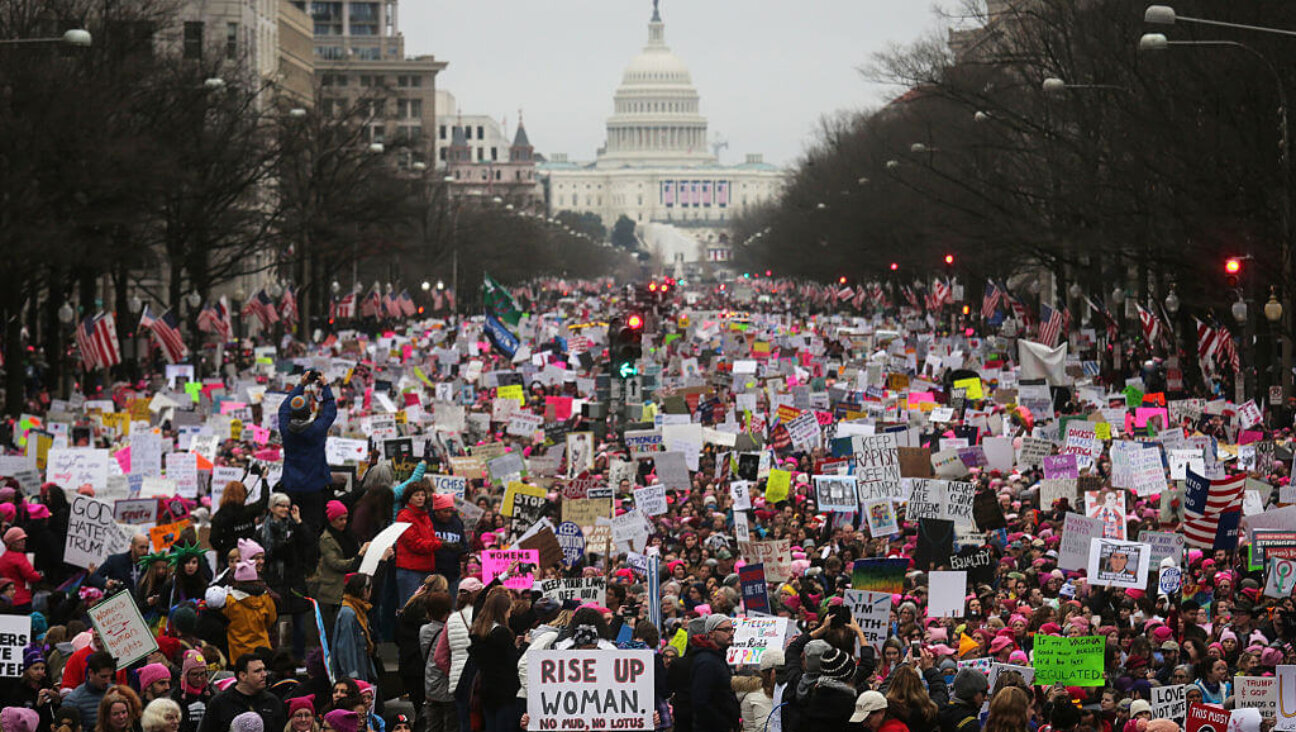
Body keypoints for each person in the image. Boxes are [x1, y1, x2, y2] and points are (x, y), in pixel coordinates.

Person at [279, 370, 338, 533]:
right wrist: (326, 387)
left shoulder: (286, 430)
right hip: (315, 489)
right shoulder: (317, 430)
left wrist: (301, 385)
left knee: (292, 529)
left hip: (292, 487)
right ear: (308, 413)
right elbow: (330, 412)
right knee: (314, 529)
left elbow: (283, 409)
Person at [259, 492, 315, 661]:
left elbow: (309, 541)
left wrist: (298, 521)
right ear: (271, 508)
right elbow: (262, 554)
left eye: (287, 506)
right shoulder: (262, 530)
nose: (284, 509)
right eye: (280, 505)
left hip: (293, 580)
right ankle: (272, 657)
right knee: (272, 622)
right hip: (273, 580)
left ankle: (299, 657)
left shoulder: (294, 527)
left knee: (299, 621)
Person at [467, 587, 520, 732]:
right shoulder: (502, 634)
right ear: (503, 611)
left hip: (487, 691)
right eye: (509, 610)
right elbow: (512, 662)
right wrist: (523, 646)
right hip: (504, 693)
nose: (510, 615)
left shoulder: (479, 632)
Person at [313, 501, 368, 635]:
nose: (343, 522)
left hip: (349, 587)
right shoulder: (326, 539)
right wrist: (358, 558)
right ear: (331, 520)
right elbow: (335, 563)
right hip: (333, 591)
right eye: (340, 519)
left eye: (345, 518)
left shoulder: (349, 535)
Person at [197, 654, 286, 732]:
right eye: (258, 671)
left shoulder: (272, 702)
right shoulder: (220, 703)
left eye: (264, 669)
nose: (264, 674)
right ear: (243, 676)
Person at [214, 561, 277, 664]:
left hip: (238, 652)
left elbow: (222, 622)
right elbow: (271, 620)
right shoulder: (266, 598)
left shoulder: (230, 601)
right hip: (262, 650)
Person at [394, 481, 443, 607]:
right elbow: (415, 544)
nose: (421, 497)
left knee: (424, 608)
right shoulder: (404, 516)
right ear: (409, 498)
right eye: (417, 495)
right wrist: (438, 544)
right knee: (409, 607)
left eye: (422, 494)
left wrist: (436, 542)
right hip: (410, 570)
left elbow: (430, 537)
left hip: (425, 568)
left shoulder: (424, 515)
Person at [690, 614, 740, 732]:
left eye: (732, 629)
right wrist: (724, 723)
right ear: (711, 633)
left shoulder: (717, 658)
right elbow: (701, 702)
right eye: (726, 630)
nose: (731, 633)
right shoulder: (707, 661)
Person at [419, 591, 455, 732]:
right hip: (447, 686)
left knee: (433, 726)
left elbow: (425, 655)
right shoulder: (449, 632)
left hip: (430, 685)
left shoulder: (423, 630)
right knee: (452, 726)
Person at [332, 573, 378, 683]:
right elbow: (346, 648)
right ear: (364, 591)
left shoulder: (359, 609)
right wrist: (352, 676)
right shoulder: (349, 614)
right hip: (355, 674)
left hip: (363, 667)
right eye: (370, 589)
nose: (371, 593)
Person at [209, 480, 271, 562]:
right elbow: (264, 500)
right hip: (249, 554)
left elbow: (213, 540)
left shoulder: (219, 515)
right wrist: (264, 480)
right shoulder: (248, 511)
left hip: (229, 558)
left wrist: (226, 550)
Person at [64, 651, 117, 728]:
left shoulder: (116, 692)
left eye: (110, 676)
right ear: (91, 672)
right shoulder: (73, 700)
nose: (108, 681)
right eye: (103, 677)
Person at [430, 495, 466, 594]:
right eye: (445, 511)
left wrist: (464, 553)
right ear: (437, 511)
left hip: (452, 574)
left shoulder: (457, 523)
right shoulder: (429, 522)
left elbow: (463, 545)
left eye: (450, 511)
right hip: (433, 574)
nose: (449, 514)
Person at [0, 527, 41, 612]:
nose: (23, 542)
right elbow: (32, 576)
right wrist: (39, 575)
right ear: (12, 543)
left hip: (8, 598)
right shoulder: (19, 558)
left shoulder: (4, 557)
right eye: (19, 540)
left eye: (24, 539)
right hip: (22, 599)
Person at [170, 651, 211, 732]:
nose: (199, 679)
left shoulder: (210, 692)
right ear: (186, 675)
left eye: (202, 674)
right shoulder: (176, 695)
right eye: (194, 674)